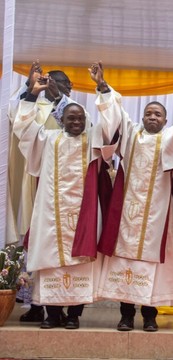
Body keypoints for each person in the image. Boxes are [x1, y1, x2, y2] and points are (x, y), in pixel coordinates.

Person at [91, 62, 173, 332]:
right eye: (148, 113)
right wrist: (102, 85)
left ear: (165, 120)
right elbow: (115, 114)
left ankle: (149, 316)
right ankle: (126, 316)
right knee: (125, 263)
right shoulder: (131, 134)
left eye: (157, 114)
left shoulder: (170, 139)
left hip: (158, 218)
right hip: (126, 216)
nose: (151, 118)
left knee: (153, 268)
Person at [12, 73, 109, 330]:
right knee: (50, 263)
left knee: (80, 266)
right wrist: (33, 93)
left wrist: (102, 87)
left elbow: (113, 124)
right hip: (50, 217)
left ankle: (74, 315)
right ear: (61, 121)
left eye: (80, 118)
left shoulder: (92, 142)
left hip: (82, 216)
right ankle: (52, 315)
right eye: (70, 118)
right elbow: (23, 128)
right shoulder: (48, 139)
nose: (76, 121)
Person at [8, 61, 78, 323]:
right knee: (32, 241)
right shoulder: (34, 104)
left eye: (58, 84)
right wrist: (29, 87)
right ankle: (36, 303)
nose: (52, 87)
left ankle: (62, 306)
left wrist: (56, 95)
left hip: (62, 184)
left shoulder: (72, 111)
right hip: (32, 178)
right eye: (50, 82)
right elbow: (17, 118)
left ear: (68, 87)